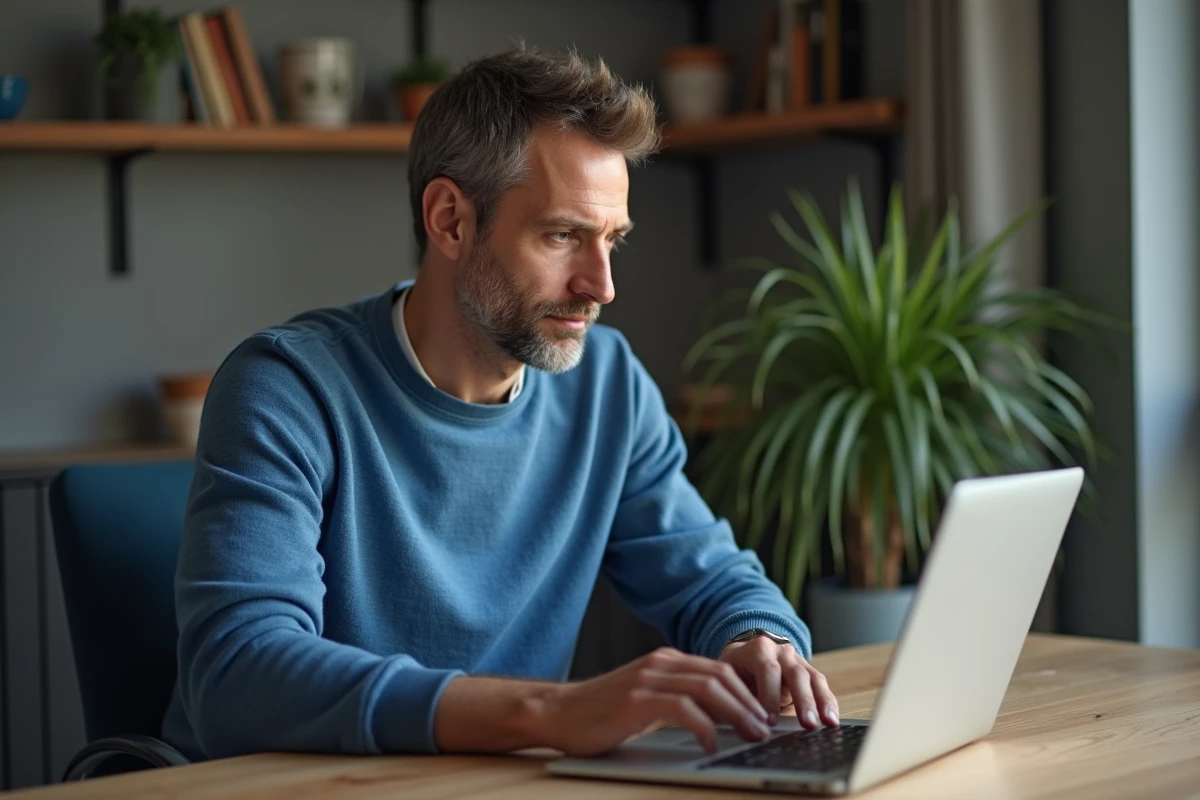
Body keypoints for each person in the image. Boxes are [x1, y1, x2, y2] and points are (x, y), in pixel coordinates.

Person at [162, 46, 839, 762]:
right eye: (562, 236)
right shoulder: (287, 387)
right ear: (450, 220)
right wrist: (549, 710)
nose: (602, 285)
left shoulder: (607, 384)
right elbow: (237, 674)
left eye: (613, 241)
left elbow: (710, 576)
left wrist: (758, 639)